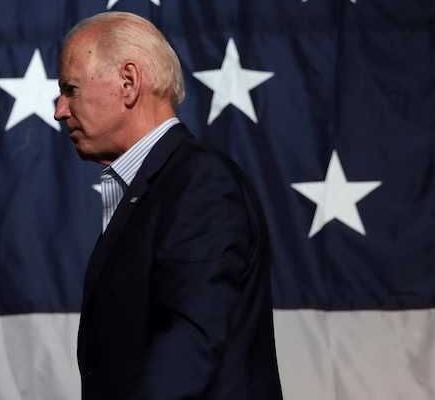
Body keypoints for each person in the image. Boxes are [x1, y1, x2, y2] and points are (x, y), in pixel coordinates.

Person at [54, 11, 283, 399]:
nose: (59, 109)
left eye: (70, 89)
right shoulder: (159, 186)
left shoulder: (200, 186)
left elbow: (188, 349)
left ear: (128, 82)